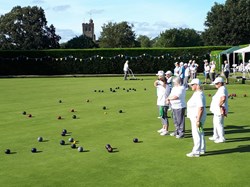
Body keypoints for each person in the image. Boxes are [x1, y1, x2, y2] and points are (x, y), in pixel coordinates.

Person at [186, 78, 206, 157]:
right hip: (196, 116)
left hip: (197, 117)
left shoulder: (199, 94)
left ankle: (196, 151)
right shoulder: (197, 93)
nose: (191, 86)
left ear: (197, 85)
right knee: (200, 132)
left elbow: (200, 108)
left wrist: (198, 120)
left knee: (196, 133)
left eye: (192, 85)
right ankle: (202, 149)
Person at [209, 77, 228, 143]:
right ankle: (215, 135)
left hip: (219, 109)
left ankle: (221, 138)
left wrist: (220, 106)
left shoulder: (222, 89)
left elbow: (223, 98)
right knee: (215, 123)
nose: (215, 85)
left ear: (220, 83)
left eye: (217, 84)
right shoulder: (221, 88)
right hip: (217, 110)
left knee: (219, 123)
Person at [154, 71, 171, 136]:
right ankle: (163, 127)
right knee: (161, 115)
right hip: (159, 101)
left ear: (162, 77)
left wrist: (159, 81)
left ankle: (166, 130)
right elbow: (155, 84)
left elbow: (164, 86)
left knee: (164, 116)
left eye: (159, 76)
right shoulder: (159, 84)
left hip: (164, 102)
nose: (158, 77)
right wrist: (157, 81)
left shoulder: (167, 85)